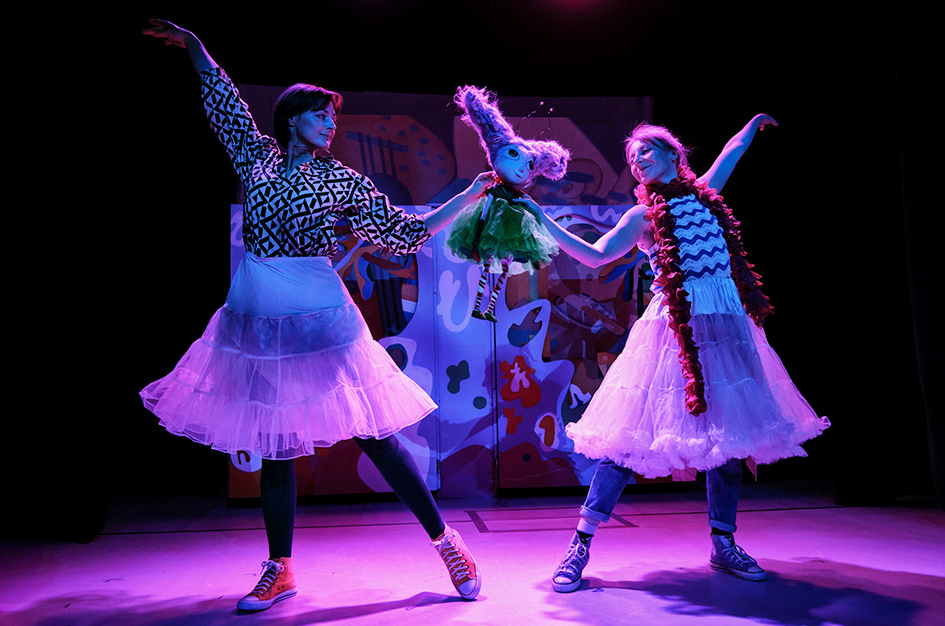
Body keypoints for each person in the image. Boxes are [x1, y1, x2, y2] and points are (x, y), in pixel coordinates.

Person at [140, 19, 491, 610]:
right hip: (257, 317)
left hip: (322, 317)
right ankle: (279, 568)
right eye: (320, 114)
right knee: (275, 444)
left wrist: (469, 195)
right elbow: (223, 102)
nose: (330, 123)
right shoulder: (256, 158)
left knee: (376, 437)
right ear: (291, 118)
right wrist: (196, 49)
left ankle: (447, 542)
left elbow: (403, 233)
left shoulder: (342, 180)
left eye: (333, 116)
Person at [520, 115, 829, 591]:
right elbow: (596, 255)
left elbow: (730, 153)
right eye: (631, 158)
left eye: (645, 151)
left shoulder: (705, 195)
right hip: (671, 335)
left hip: (726, 326)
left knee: (729, 438)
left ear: (672, 154)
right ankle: (580, 543)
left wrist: (752, 127)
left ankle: (723, 543)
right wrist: (539, 217)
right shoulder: (642, 217)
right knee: (628, 440)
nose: (637, 161)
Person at [446, 85, 569, 322]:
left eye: (530, 165)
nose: (523, 169)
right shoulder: (492, 191)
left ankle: (490, 307)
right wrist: (477, 236)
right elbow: (485, 213)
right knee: (487, 268)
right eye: (513, 155)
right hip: (490, 230)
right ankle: (478, 305)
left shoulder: (520, 199)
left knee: (504, 268)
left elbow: (529, 222)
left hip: (512, 227)